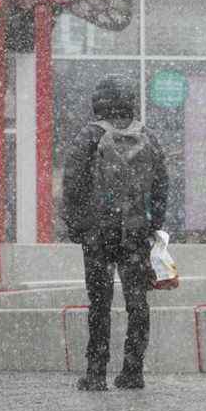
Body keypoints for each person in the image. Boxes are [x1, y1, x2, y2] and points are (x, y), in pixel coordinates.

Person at [62, 75, 168, 391]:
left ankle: (96, 373)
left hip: (98, 231)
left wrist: (75, 223)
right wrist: (154, 225)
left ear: (99, 103)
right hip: (135, 232)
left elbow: (72, 183)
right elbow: (162, 184)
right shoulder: (147, 135)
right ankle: (133, 371)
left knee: (100, 302)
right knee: (137, 302)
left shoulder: (90, 135)